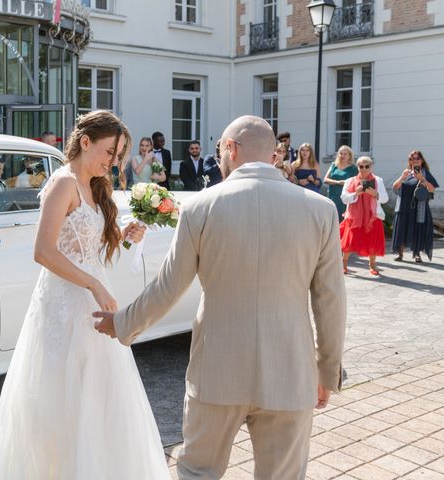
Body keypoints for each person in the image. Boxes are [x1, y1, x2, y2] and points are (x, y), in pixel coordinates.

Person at [95, 115, 346, 480]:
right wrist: (327, 371)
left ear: (230, 148)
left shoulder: (201, 206)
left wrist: (121, 324)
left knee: (197, 473)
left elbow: (168, 286)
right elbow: (331, 302)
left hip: (216, 373)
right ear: (273, 155)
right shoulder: (321, 210)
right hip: (290, 374)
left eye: (219, 151)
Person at [0, 110, 168, 479]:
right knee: (61, 401)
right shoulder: (63, 182)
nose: (113, 161)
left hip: (94, 307)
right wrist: (94, 284)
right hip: (65, 306)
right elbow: (44, 251)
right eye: (109, 151)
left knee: (99, 401)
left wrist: (123, 235)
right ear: (86, 142)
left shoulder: (94, 187)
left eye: (118, 155)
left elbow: (88, 249)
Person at [339, 156, 389, 276]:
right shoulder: (350, 181)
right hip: (354, 217)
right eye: (361, 166)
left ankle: (372, 265)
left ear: (371, 167)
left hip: (372, 216)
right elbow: (344, 198)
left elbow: (385, 199)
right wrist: (356, 193)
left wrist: (375, 194)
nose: (364, 168)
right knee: (350, 242)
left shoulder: (378, 180)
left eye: (367, 166)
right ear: (358, 167)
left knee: (372, 241)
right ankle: (343, 263)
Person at [391, 150, 439, 263]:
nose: (415, 161)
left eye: (417, 158)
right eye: (412, 159)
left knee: (417, 229)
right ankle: (400, 253)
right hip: (403, 206)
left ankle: (417, 254)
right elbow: (395, 187)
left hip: (419, 206)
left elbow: (432, 189)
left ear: (421, 160)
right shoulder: (406, 172)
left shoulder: (425, 173)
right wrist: (402, 177)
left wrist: (422, 179)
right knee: (402, 229)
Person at [324, 145, 359, 221]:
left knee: (343, 219)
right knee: (332, 218)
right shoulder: (334, 165)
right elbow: (325, 179)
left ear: (349, 156)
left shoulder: (353, 168)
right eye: (341, 153)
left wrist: (347, 183)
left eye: (345, 154)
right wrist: (338, 182)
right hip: (333, 195)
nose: (342, 155)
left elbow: (357, 182)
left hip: (345, 197)